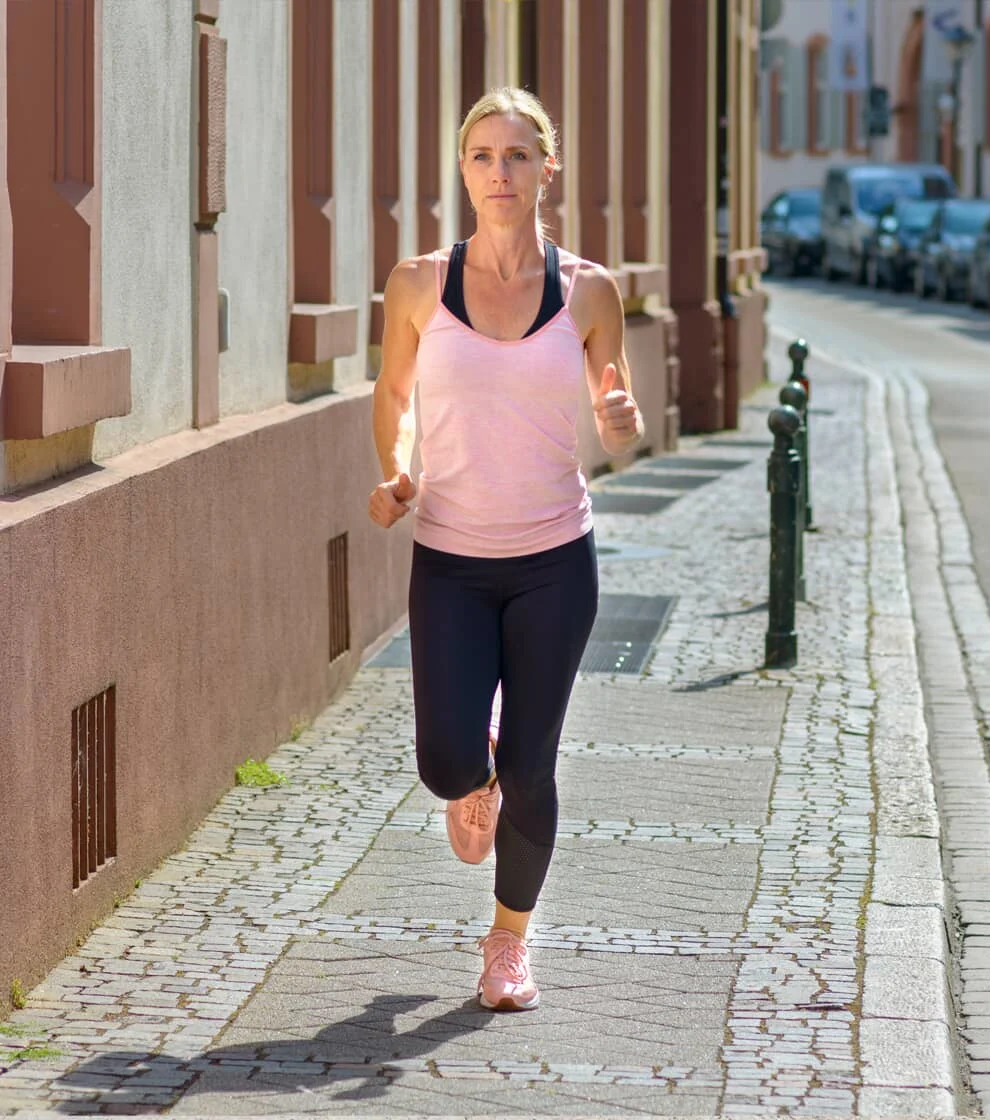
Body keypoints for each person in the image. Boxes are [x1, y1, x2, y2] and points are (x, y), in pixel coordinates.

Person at [368, 87, 643, 1012]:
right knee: (447, 762)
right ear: (464, 168)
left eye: (518, 155)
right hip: (448, 556)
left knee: (535, 767)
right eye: (484, 155)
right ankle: (472, 775)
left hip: (554, 559)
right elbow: (393, 398)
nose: (500, 171)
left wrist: (622, 419)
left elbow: (617, 413)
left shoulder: (590, 289)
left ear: (546, 170)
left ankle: (507, 944)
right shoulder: (417, 284)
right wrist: (397, 474)